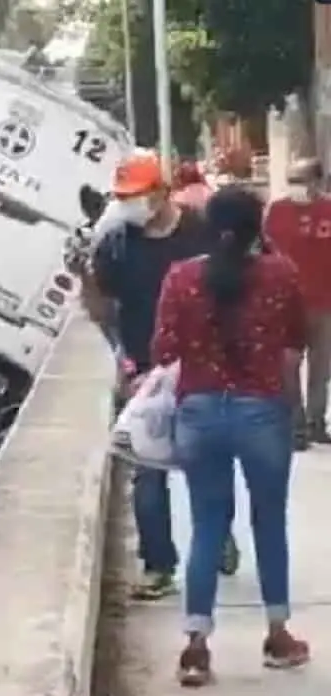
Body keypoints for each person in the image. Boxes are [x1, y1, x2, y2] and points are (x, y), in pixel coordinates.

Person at [151, 185, 310, 686]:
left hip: (198, 413)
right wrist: (294, 409)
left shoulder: (181, 278)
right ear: (256, 227)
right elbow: (294, 345)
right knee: (269, 522)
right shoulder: (280, 274)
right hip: (262, 411)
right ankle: (278, 635)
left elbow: (162, 348)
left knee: (207, 525)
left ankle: (196, 648)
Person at [81, 151, 239, 600]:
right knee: (146, 472)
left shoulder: (201, 232)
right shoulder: (116, 245)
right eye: (121, 198)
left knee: (208, 464)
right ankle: (158, 565)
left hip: (203, 364)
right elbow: (103, 311)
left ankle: (220, 533)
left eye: (135, 196)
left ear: (160, 193)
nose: (128, 206)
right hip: (145, 373)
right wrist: (85, 277)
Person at [264, 157, 331, 449]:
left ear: (318, 182)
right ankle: (296, 427)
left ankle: (317, 421)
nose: (296, 187)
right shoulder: (277, 211)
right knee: (287, 365)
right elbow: (263, 251)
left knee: (322, 367)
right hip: (286, 303)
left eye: (301, 180)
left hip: (325, 302)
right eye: (292, 180)